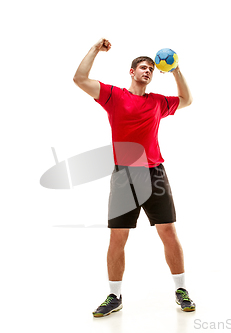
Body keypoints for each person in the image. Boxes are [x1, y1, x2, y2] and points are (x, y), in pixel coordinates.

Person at [73, 38, 195, 317]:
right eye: (143, 67)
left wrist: (175, 70)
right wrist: (94, 49)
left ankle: (181, 290)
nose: (148, 71)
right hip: (124, 177)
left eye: (151, 68)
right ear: (132, 71)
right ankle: (114, 296)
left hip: (155, 174)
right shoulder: (113, 96)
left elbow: (187, 100)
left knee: (168, 232)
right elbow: (79, 78)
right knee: (118, 237)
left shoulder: (158, 103)